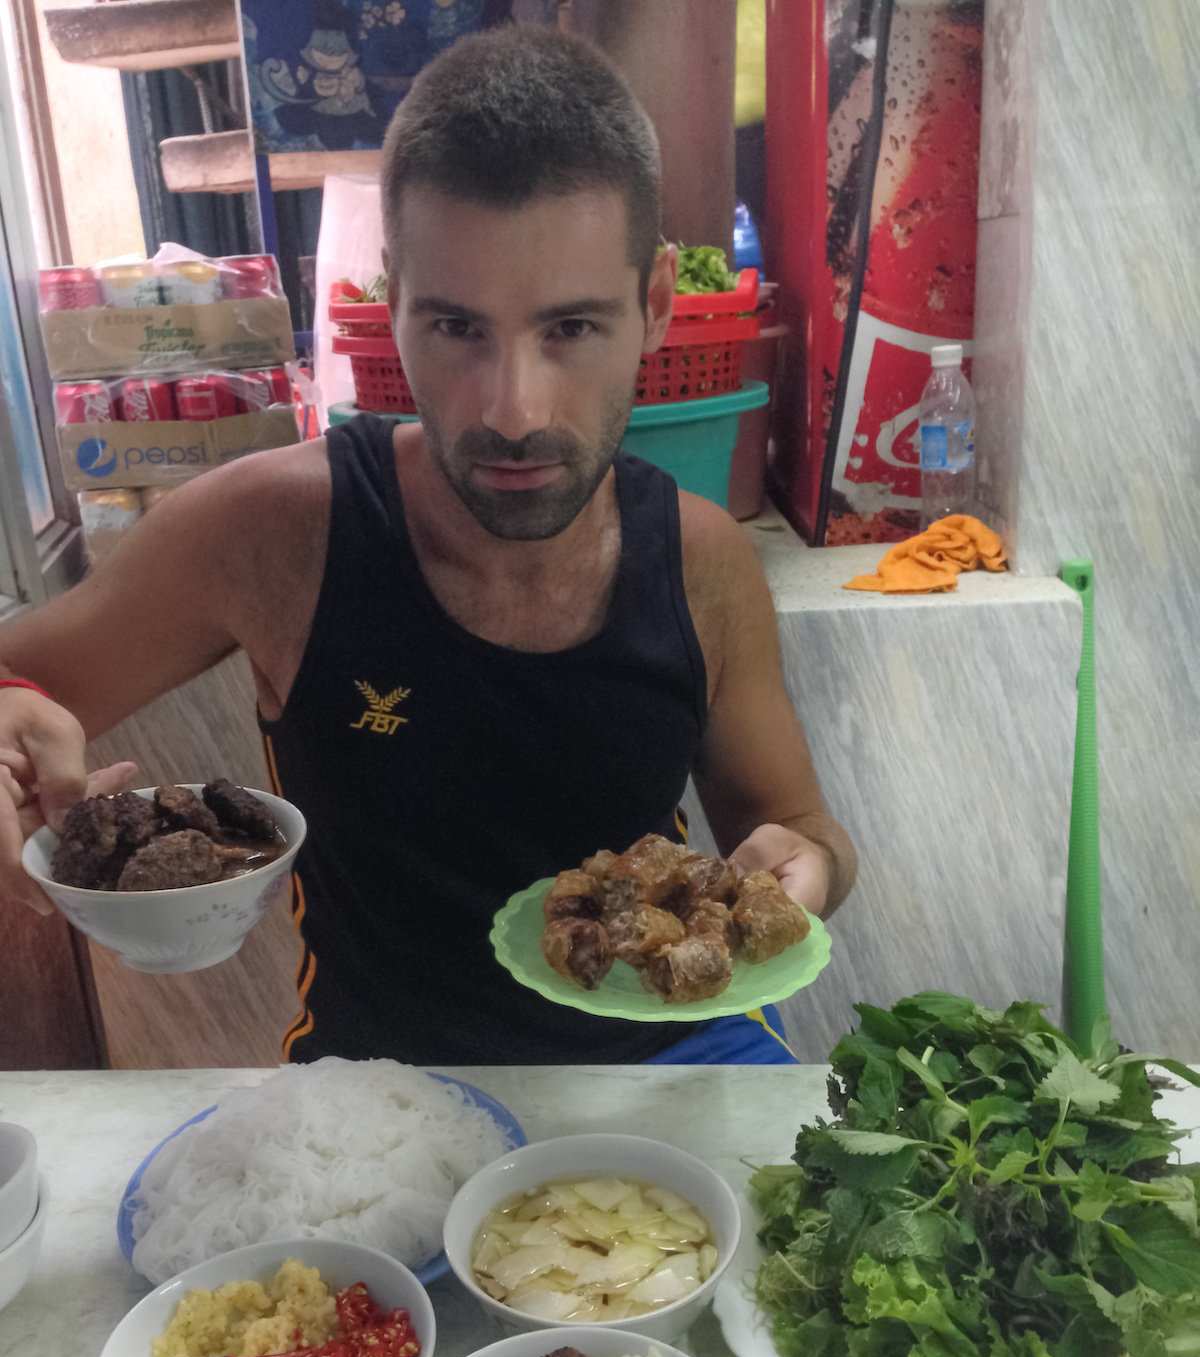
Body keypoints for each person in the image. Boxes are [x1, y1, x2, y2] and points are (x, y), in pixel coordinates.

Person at [0, 25, 855, 1068]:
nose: (512, 410)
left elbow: (806, 832)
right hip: (392, 1101)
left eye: (572, 329)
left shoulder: (699, 559)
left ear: (657, 306)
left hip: (676, 1070)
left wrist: (801, 865)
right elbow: (22, 681)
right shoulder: (276, 529)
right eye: (457, 329)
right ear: (390, 300)